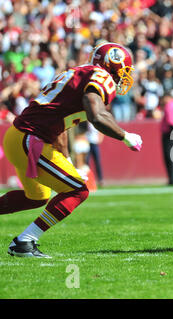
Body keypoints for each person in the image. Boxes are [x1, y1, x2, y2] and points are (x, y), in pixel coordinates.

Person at [0, 42, 143, 258]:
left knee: (37, 197)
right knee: (78, 190)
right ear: (111, 63)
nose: (124, 77)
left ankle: (24, 242)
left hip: (18, 137)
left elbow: (62, 126)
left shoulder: (78, 72)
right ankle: (24, 242)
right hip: (30, 140)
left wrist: (65, 158)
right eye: (123, 70)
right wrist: (125, 136)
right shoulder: (100, 75)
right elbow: (96, 114)